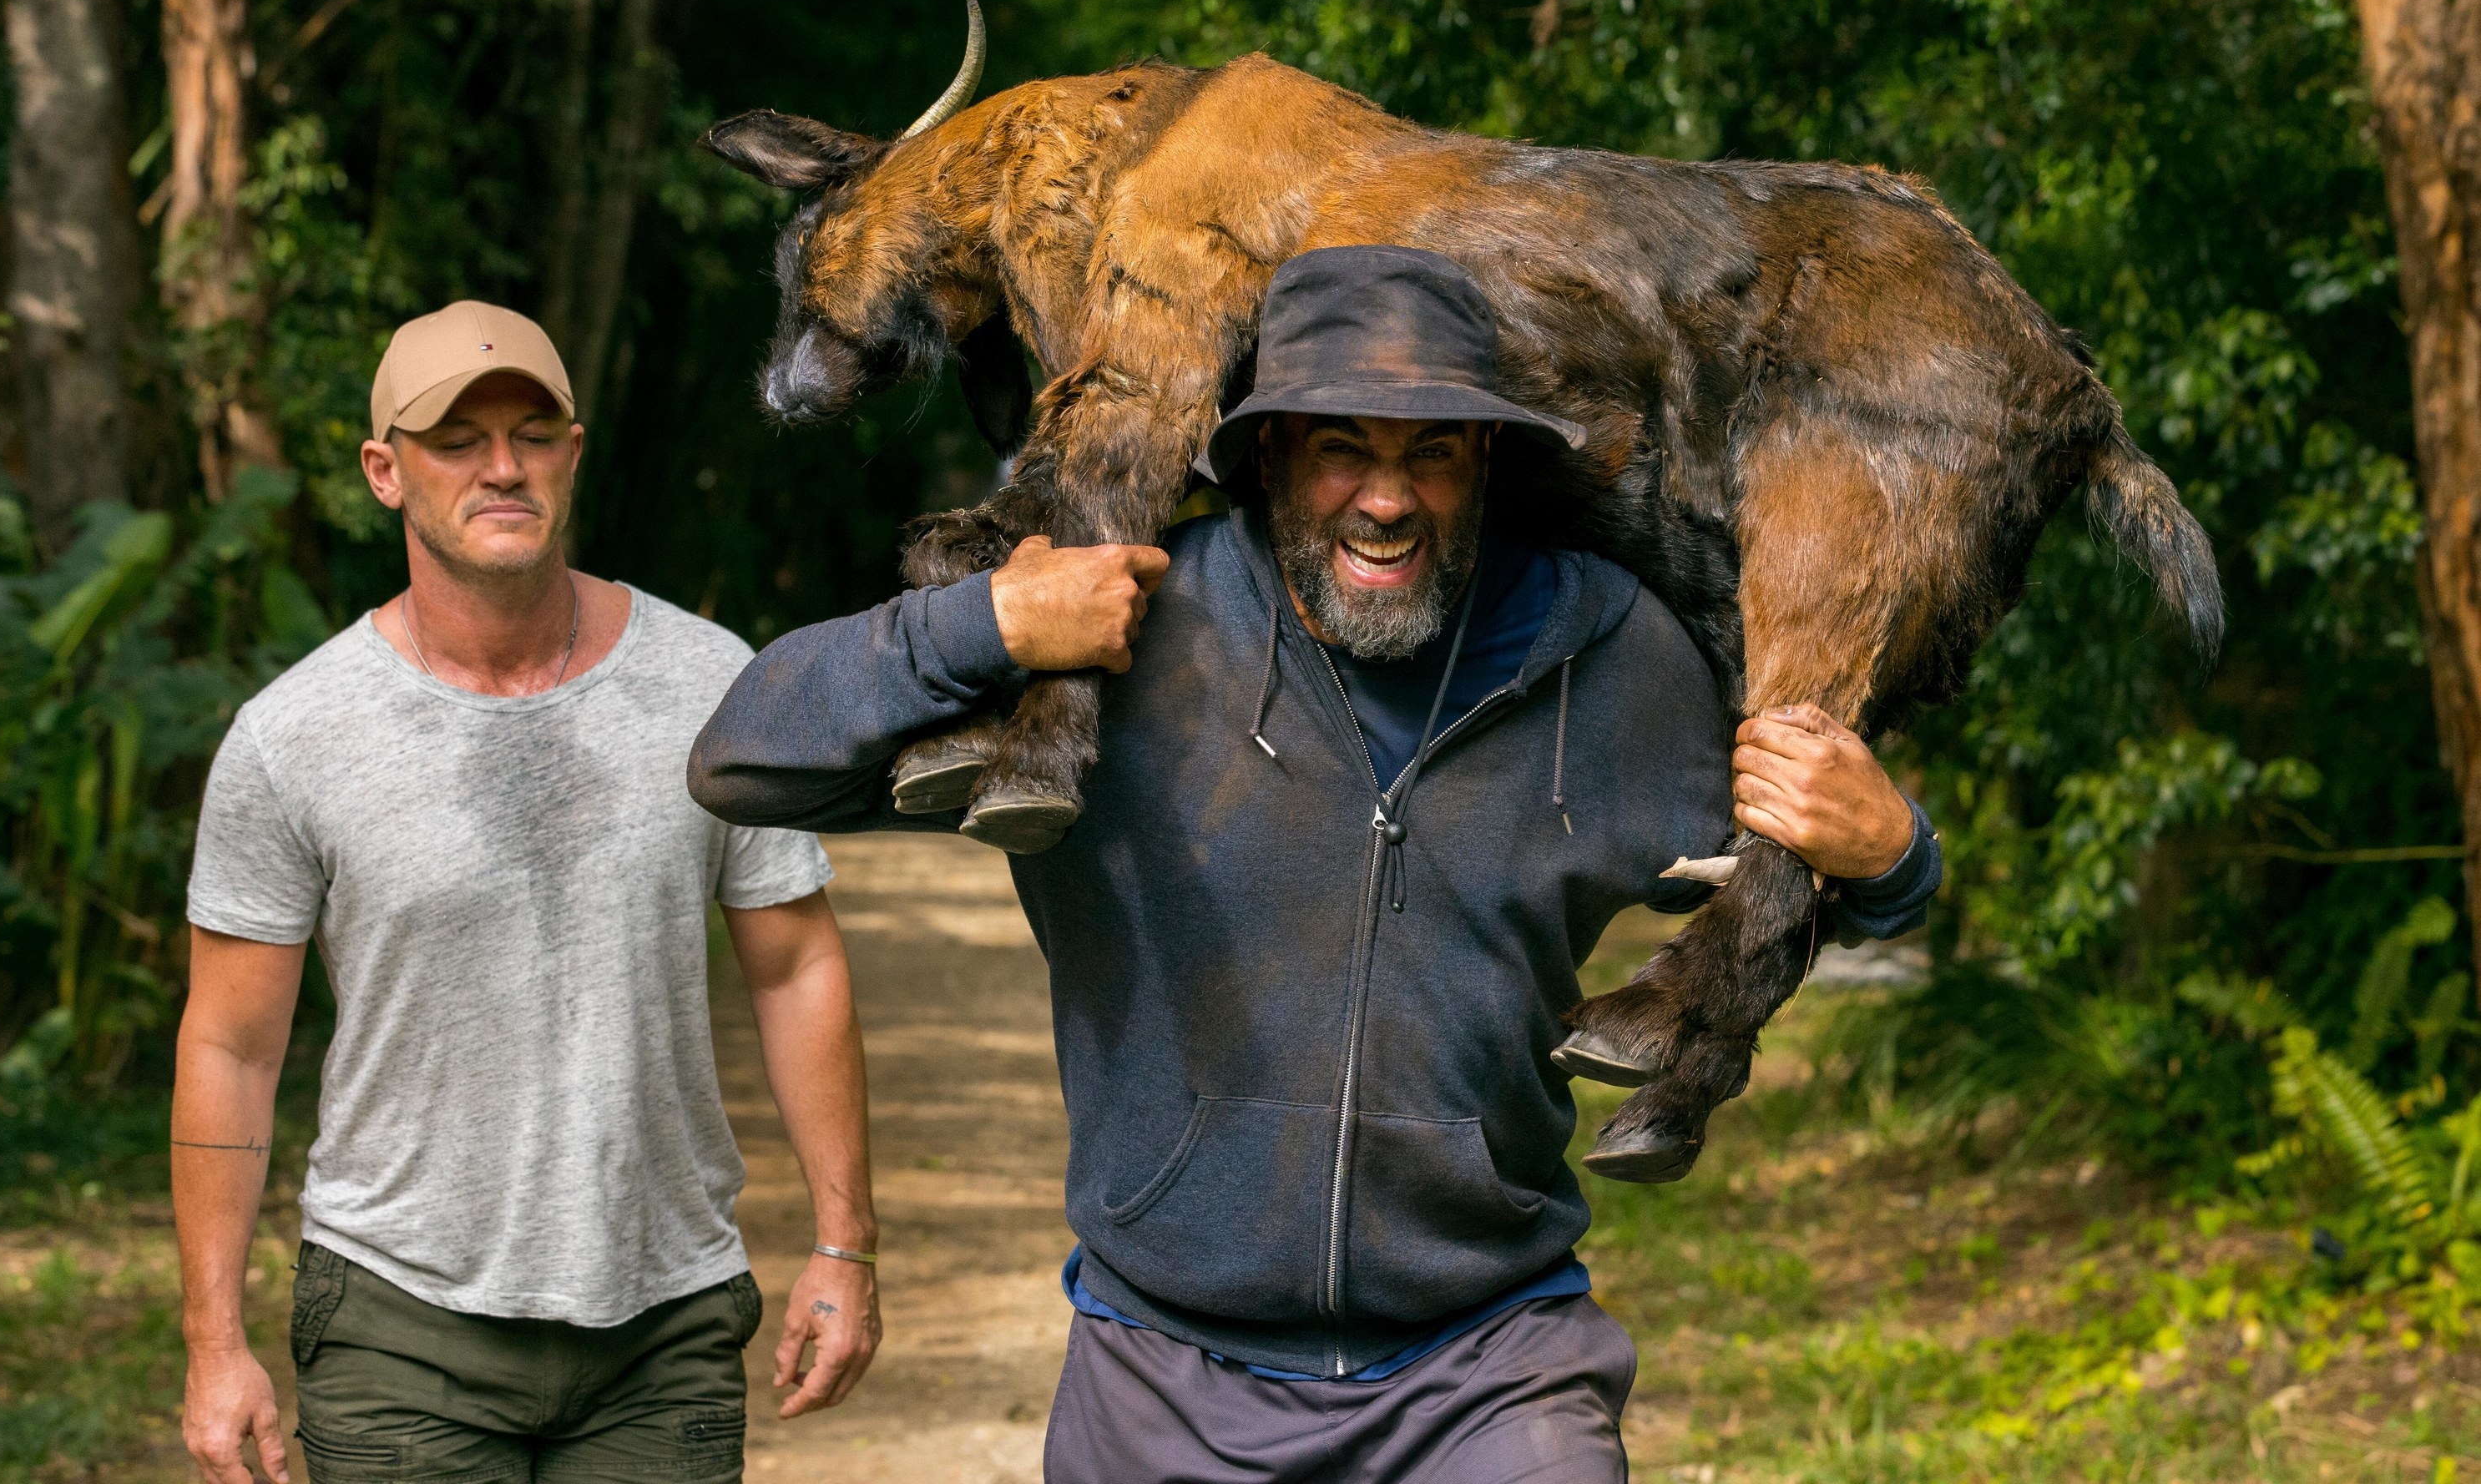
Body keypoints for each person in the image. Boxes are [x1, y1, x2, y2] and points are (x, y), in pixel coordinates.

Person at [689, 246, 1939, 1481]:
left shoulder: (1617, 662)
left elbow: (1806, 884)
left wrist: (1892, 853)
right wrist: (985, 624)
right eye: (1343, 446)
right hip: (1163, 1378)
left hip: (1488, 1368)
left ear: (1488, 462)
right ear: (1271, 457)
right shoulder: (1121, 644)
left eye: (1430, 453)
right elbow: (745, 760)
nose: (1385, 499)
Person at [172, 300, 881, 1484]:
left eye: (532, 432)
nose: (502, 467)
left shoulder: (711, 683)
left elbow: (797, 964)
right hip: (399, 1320)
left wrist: (846, 1244)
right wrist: (213, 1343)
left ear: (573, 451)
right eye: (457, 441)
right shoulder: (291, 737)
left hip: (665, 1320)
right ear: (385, 472)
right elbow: (230, 1048)